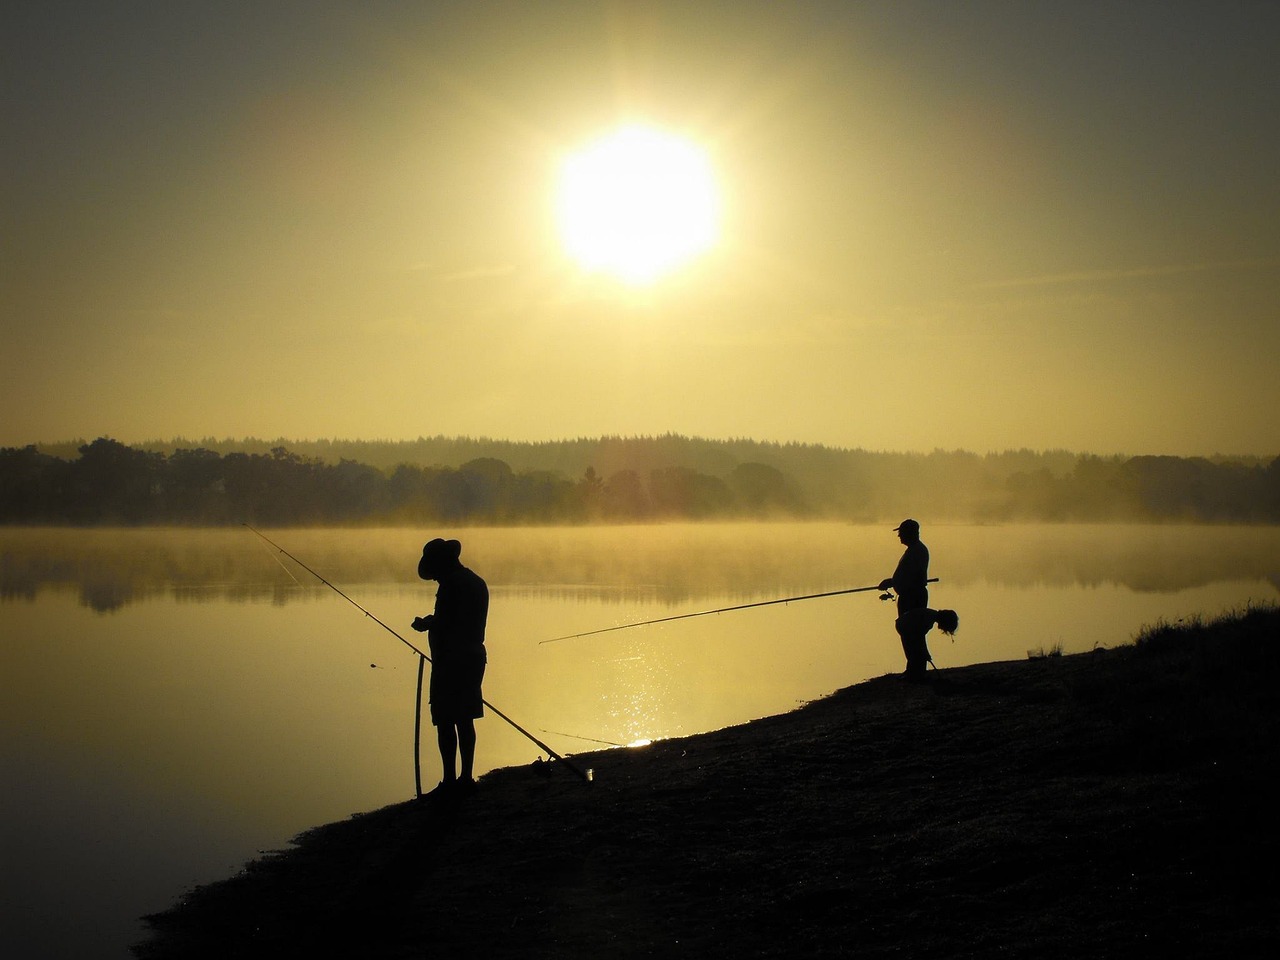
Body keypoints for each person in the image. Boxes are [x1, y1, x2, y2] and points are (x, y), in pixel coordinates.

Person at [411, 538, 488, 798]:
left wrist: (425, 624)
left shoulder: (450, 585)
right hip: (474, 657)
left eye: (434, 572)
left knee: (445, 719)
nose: (434, 579)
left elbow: (446, 622)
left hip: (451, 660)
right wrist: (434, 621)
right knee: (465, 718)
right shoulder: (476, 582)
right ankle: (466, 778)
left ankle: (449, 780)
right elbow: (458, 619)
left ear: (442, 564)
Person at [878, 519, 932, 677]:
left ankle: (916, 670)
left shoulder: (917, 551)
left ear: (911, 533)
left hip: (913, 596)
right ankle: (914, 669)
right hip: (909, 594)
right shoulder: (914, 550)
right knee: (909, 632)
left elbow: (913, 576)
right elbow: (907, 575)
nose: (899, 536)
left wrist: (892, 582)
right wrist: (893, 581)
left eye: (901, 532)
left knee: (913, 632)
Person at [894, 607, 959, 680]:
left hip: (903, 625)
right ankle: (914, 675)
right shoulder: (929, 619)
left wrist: (924, 651)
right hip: (907, 626)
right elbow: (920, 637)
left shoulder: (930, 615)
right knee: (916, 653)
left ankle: (913, 674)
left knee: (913, 653)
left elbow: (920, 638)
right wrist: (925, 652)